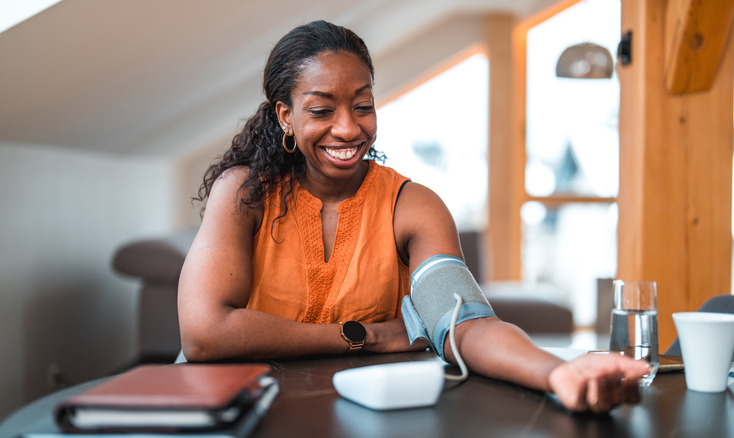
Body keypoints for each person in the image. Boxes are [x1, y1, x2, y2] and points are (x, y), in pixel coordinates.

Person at [177, 20, 648, 413]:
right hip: (236, 414)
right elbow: (204, 335)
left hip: (355, 415)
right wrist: (364, 337)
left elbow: (467, 324)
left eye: (363, 106)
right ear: (286, 115)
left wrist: (557, 372)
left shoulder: (411, 205)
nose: (348, 127)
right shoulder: (244, 192)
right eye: (321, 109)